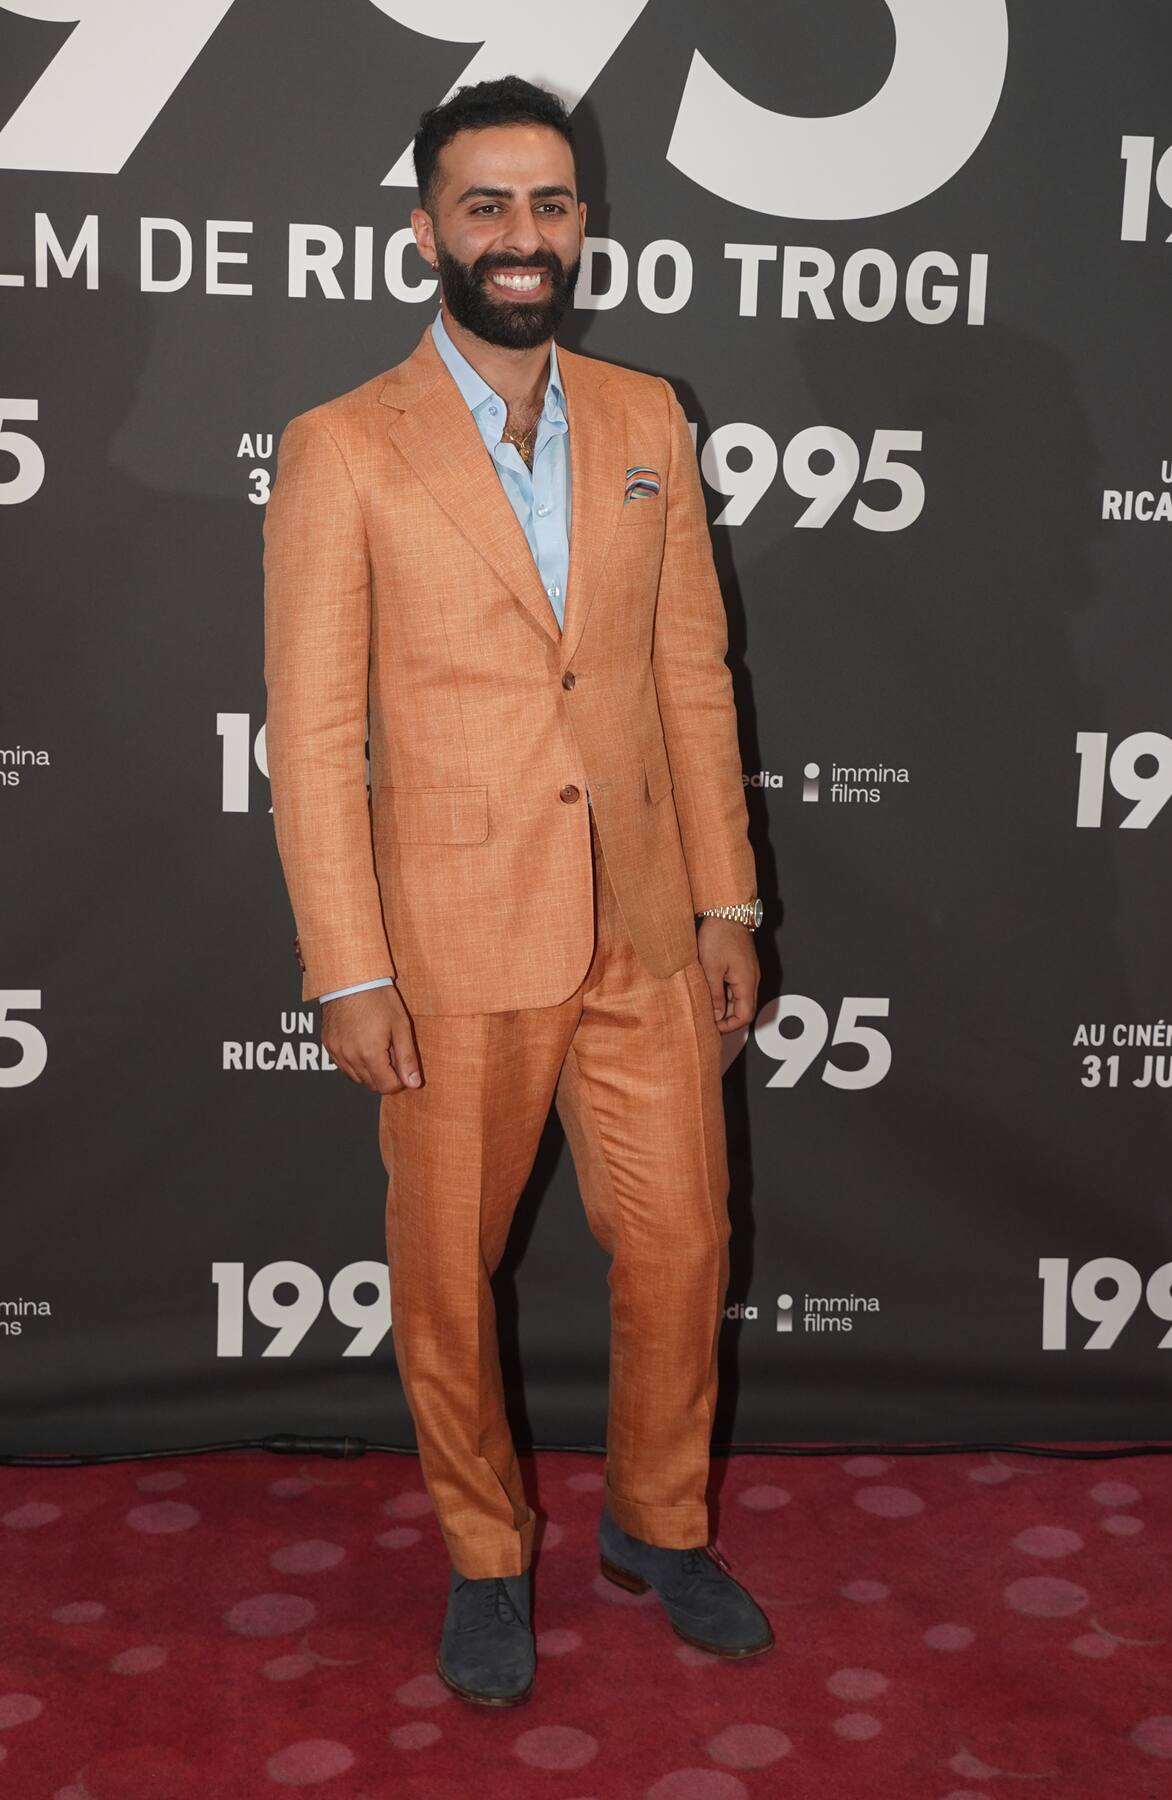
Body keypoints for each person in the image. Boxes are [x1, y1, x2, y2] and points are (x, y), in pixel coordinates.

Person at [262, 74, 772, 1706]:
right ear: (427, 229)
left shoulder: (646, 416)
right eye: (486, 205)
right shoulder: (342, 447)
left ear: (583, 224)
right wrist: (349, 968)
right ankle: (488, 1554)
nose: (521, 235)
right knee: (445, 1281)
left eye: (548, 204)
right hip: (452, 941)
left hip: (643, 925)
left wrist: (726, 904)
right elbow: (313, 730)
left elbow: (693, 677)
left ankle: (659, 1525)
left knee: (685, 1242)